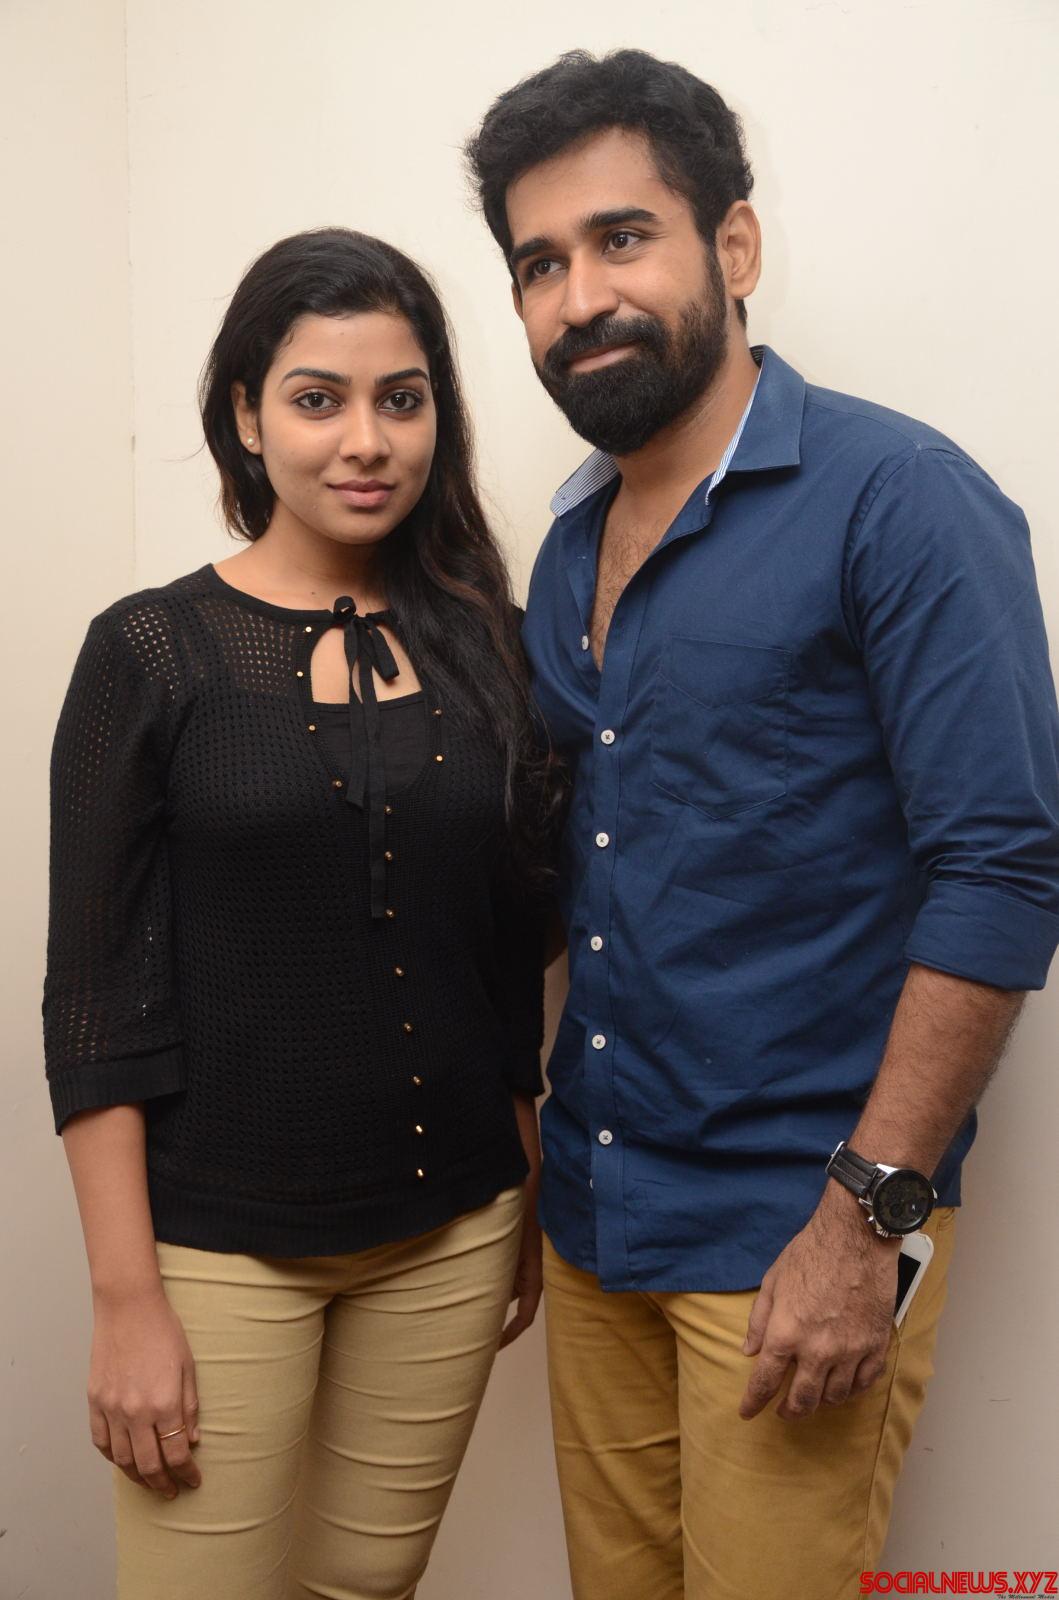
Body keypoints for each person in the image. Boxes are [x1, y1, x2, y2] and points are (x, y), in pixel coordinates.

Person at [465, 48, 1059, 1600]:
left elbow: (1003, 870)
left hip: (805, 1230)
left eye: (621, 238)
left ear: (732, 244)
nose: (580, 295)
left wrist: (868, 1224)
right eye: (539, 263)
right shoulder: (568, 549)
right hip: (598, 1222)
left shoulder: (902, 499)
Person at [43, 227, 556, 1600]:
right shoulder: (150, 651)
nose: (366, 440)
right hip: (218, 1248)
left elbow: (509, 947)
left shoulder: (491, 645)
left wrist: (521, 1173)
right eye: (318, 399)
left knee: (366, 1589)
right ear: (246, 416)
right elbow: (93, 995)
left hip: (455, 1234)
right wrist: (125, 1298)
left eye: (403, 398)